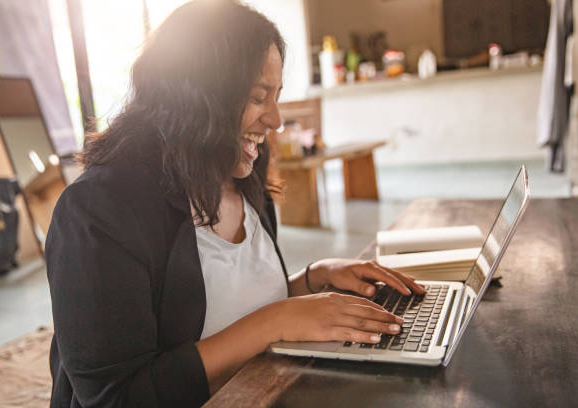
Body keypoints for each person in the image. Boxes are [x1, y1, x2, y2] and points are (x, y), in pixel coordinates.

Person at [45, 1, 425, 406]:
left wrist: (313, 280)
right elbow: (115, 398)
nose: (276, 119)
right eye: (259, 98)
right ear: (196, 95)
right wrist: (274, 323)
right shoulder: (97, 212)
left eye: (276, 96)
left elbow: (226, 303)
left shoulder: (241, 178)